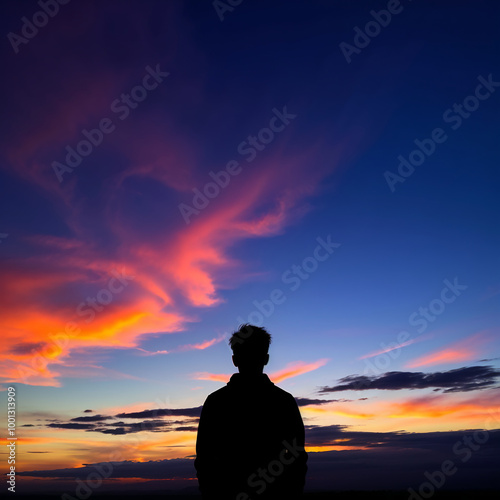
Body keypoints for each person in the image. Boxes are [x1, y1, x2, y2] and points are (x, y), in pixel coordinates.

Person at [194, 324, 308, 500]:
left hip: (228, 494)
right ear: (266, 359)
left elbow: (204, 457)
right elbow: (297, 455)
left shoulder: (216, 402)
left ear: (234, 360)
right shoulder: (283, 401)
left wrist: (211, 492)